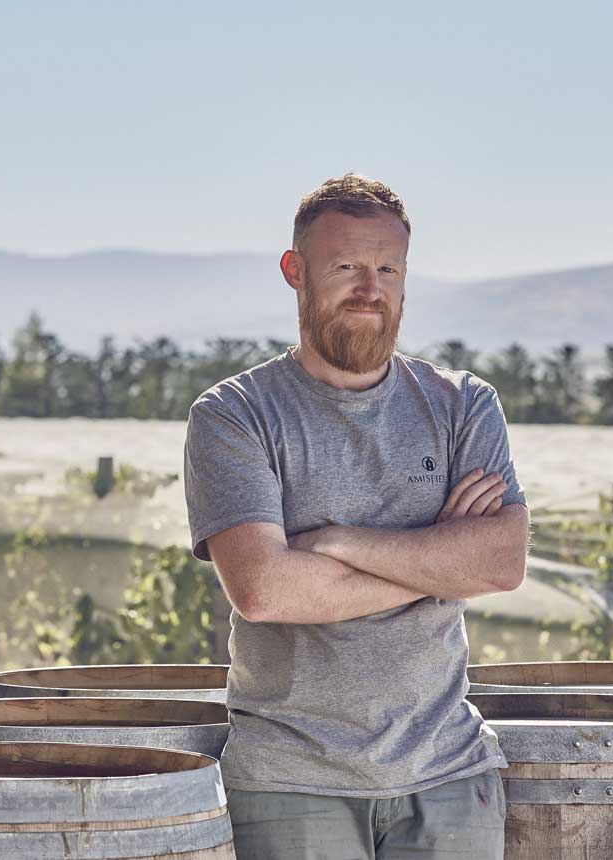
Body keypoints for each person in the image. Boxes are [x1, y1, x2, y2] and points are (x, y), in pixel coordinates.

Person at [183, 173, 530, 859]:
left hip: (450, 775)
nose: (369, 288)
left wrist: (338, 544)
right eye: (345, 267)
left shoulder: (463, 404)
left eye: (387, 269)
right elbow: (265, 590)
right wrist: (441, 561)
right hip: (290, 782)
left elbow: (501, 561)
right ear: (295, 271)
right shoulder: (235, 415)